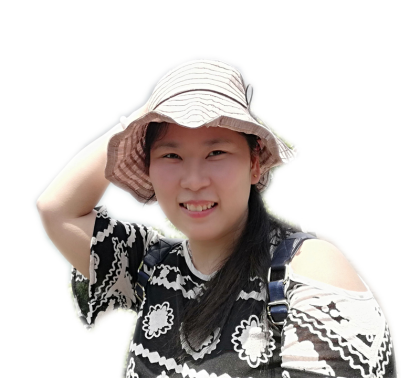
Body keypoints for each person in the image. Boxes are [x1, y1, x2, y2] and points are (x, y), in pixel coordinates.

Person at [37, 60, 396, 377]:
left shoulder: (304, 270)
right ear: (149, 168)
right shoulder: (151, 267)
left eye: (216, 152)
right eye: (171, 156)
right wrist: (145, 114)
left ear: (254, 164)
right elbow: (56, 210)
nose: (194, 181)